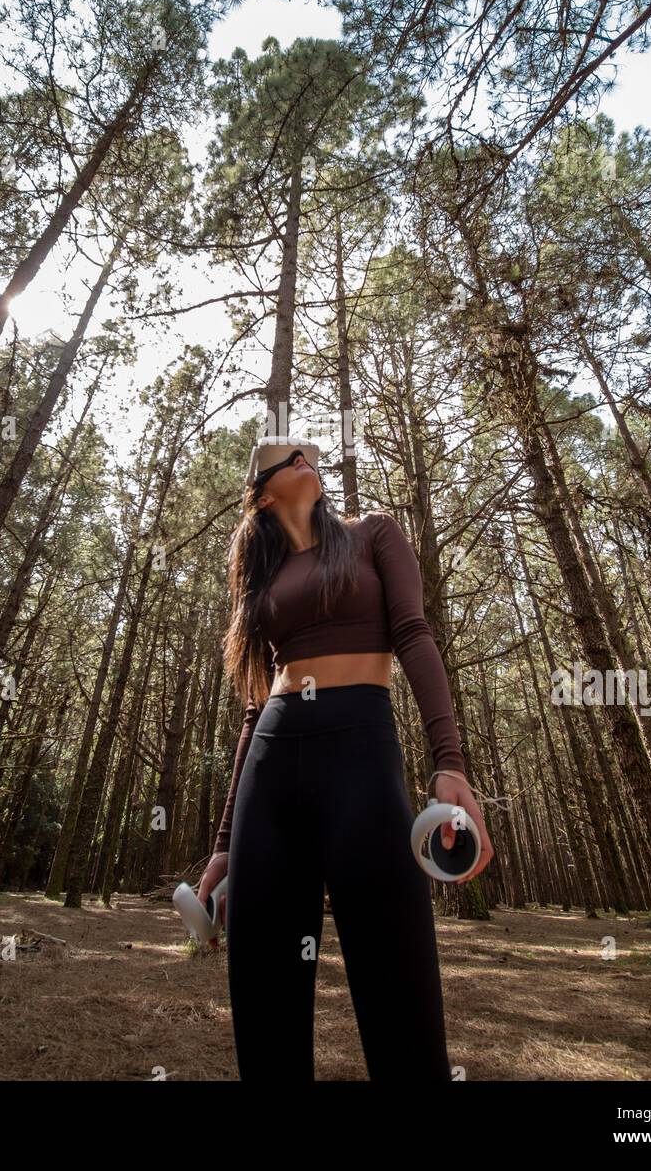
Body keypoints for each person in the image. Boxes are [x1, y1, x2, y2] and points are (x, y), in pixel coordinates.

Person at [198, 437, 494, 1082]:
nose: (305, 454)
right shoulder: (261, 576)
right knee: (263, 978)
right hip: (273, 758)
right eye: (287, 456)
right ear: (264, 494)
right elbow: (255, 706)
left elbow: (413, 633)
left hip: (361, 746)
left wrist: (450, 760)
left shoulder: (372, 534)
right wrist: (226, 844)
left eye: (308, 450)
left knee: (396, 966)